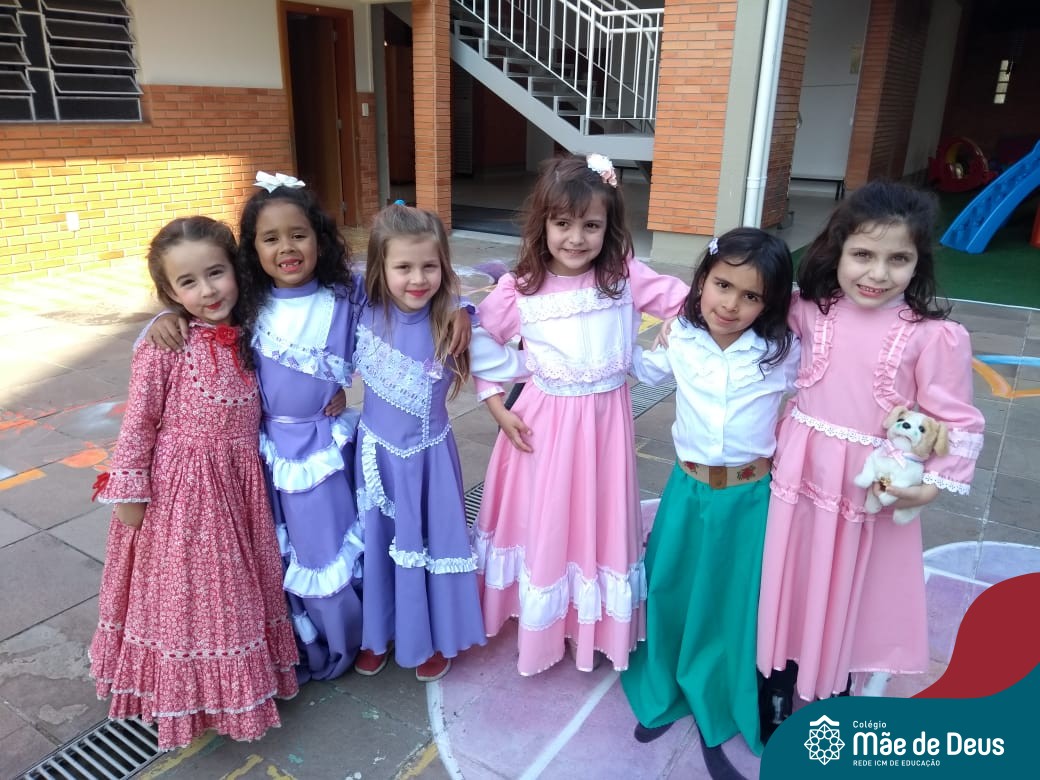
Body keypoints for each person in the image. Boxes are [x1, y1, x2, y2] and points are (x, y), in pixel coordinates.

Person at [144, 175, 471, 682]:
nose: (287, 248)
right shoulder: (245, 305)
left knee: (359, 542)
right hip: (267, 454)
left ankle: (369, 632)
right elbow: (198, 304)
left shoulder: (348, 294)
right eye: (270, 238)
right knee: (289, 552)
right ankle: (317, 639)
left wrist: (459, 307)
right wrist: (165, 317)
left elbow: (409, 284)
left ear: (320, 237)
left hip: (333, 445)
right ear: (251, 250)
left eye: (298, 234)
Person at [756, 180, 986, 739]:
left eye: (898, 259)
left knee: (850, 588)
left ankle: (831, 686)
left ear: (918, 262)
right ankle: (776, 678)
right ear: (836, 250)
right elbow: (740, 313)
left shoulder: (934, 337)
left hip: (868, 490)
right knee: (790, 575)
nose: (877, 274)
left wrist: (931, 485)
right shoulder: (808, 310)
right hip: (801, 472)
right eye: (862, 254)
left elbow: (957, 420)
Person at [471, 153, 689, 675]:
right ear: (542, 224)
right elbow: (480, 337)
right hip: (542, 427)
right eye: (563, 224)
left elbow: (689, 302)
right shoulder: (521, 286)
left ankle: (586, 623)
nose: (575, 238)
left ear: (608, 227)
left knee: (595, 519)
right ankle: (542, 621)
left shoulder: (623, 275)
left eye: (591, 225)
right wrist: (498, 405)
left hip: (605, 428)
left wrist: (672, 327)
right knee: (546, 521)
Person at [89, 216, 298, 751]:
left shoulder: (253, 330)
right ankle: (187, 696)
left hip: (240, 486)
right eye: (188, 282)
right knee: (193, 598)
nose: (207, 291)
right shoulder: (167, 344)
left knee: (235, 595)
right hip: (184, 494)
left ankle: (230, 691)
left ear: (237, 270)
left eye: (215, 273)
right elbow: (139, 421)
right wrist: (128, 490)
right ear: (170, 292)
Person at [619, 228, 799, 771]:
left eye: (751, 295)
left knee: (733, 599)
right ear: (701, 281)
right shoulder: (680, 335)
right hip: (687, 491)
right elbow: (640, 368)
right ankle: (666, 677)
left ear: (770, 303)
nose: (731, 304)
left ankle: (723, 691)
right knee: (672, 585)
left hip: (750, 498)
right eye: (722, 285)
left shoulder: (782, 351)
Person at [350, 204, 525, 682]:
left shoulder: (451, 323)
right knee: (379, 544)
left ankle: (428, 637)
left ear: (443, 266)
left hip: (429, 464)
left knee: (428, 543)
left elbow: (500, 294)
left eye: (429, 266)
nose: (417, 279)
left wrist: (461, 305)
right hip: (376, 460)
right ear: (380, 267)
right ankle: (378, 633)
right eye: (403, 267)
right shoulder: (361, 309)